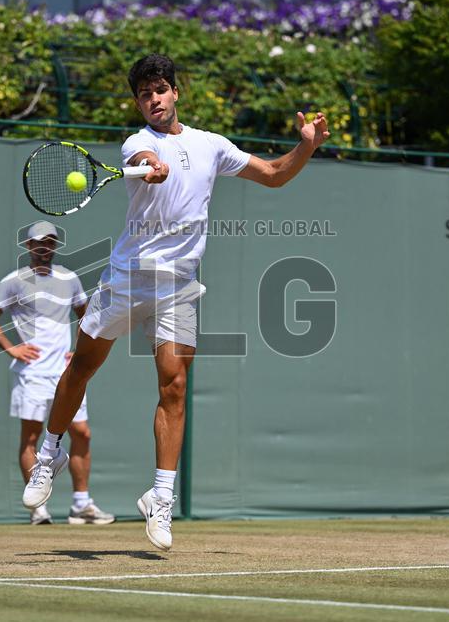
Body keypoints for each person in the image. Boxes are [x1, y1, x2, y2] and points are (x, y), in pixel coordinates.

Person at [21, 54, 330, 550]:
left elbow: (274, 174)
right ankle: (49, 453)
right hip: (128, 278)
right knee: (80, 368)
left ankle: (160, 498)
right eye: (145, 94)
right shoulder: (136, 144)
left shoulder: (212, 145)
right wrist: (152, 166)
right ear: (138, 103)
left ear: (176, 92)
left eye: (160, 90)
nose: (154, 99)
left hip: (178, 285)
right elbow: (145, 159)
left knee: (175, 385)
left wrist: (306, 146)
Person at [0, 221, 115, 526]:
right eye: (39, 242)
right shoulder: (14, 281)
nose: (45, 247)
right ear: (29, 246)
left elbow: (86, 316)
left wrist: (78, 351)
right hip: (32, 373)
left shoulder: (69, 279)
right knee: (31, 437)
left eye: (50, 242)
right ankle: (38, 508)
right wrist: (12, 349)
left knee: (82, 433)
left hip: (65, 373)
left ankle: (81, 504)